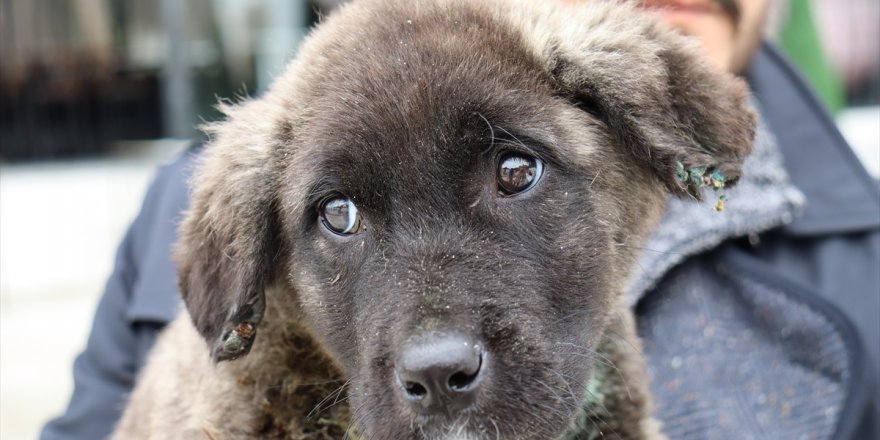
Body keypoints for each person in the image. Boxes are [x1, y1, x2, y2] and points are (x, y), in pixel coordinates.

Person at [42, 1, 880, 439]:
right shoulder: (196, 212)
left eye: (515, 173)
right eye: (339, 215)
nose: (436, 339)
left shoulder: (860, 259)